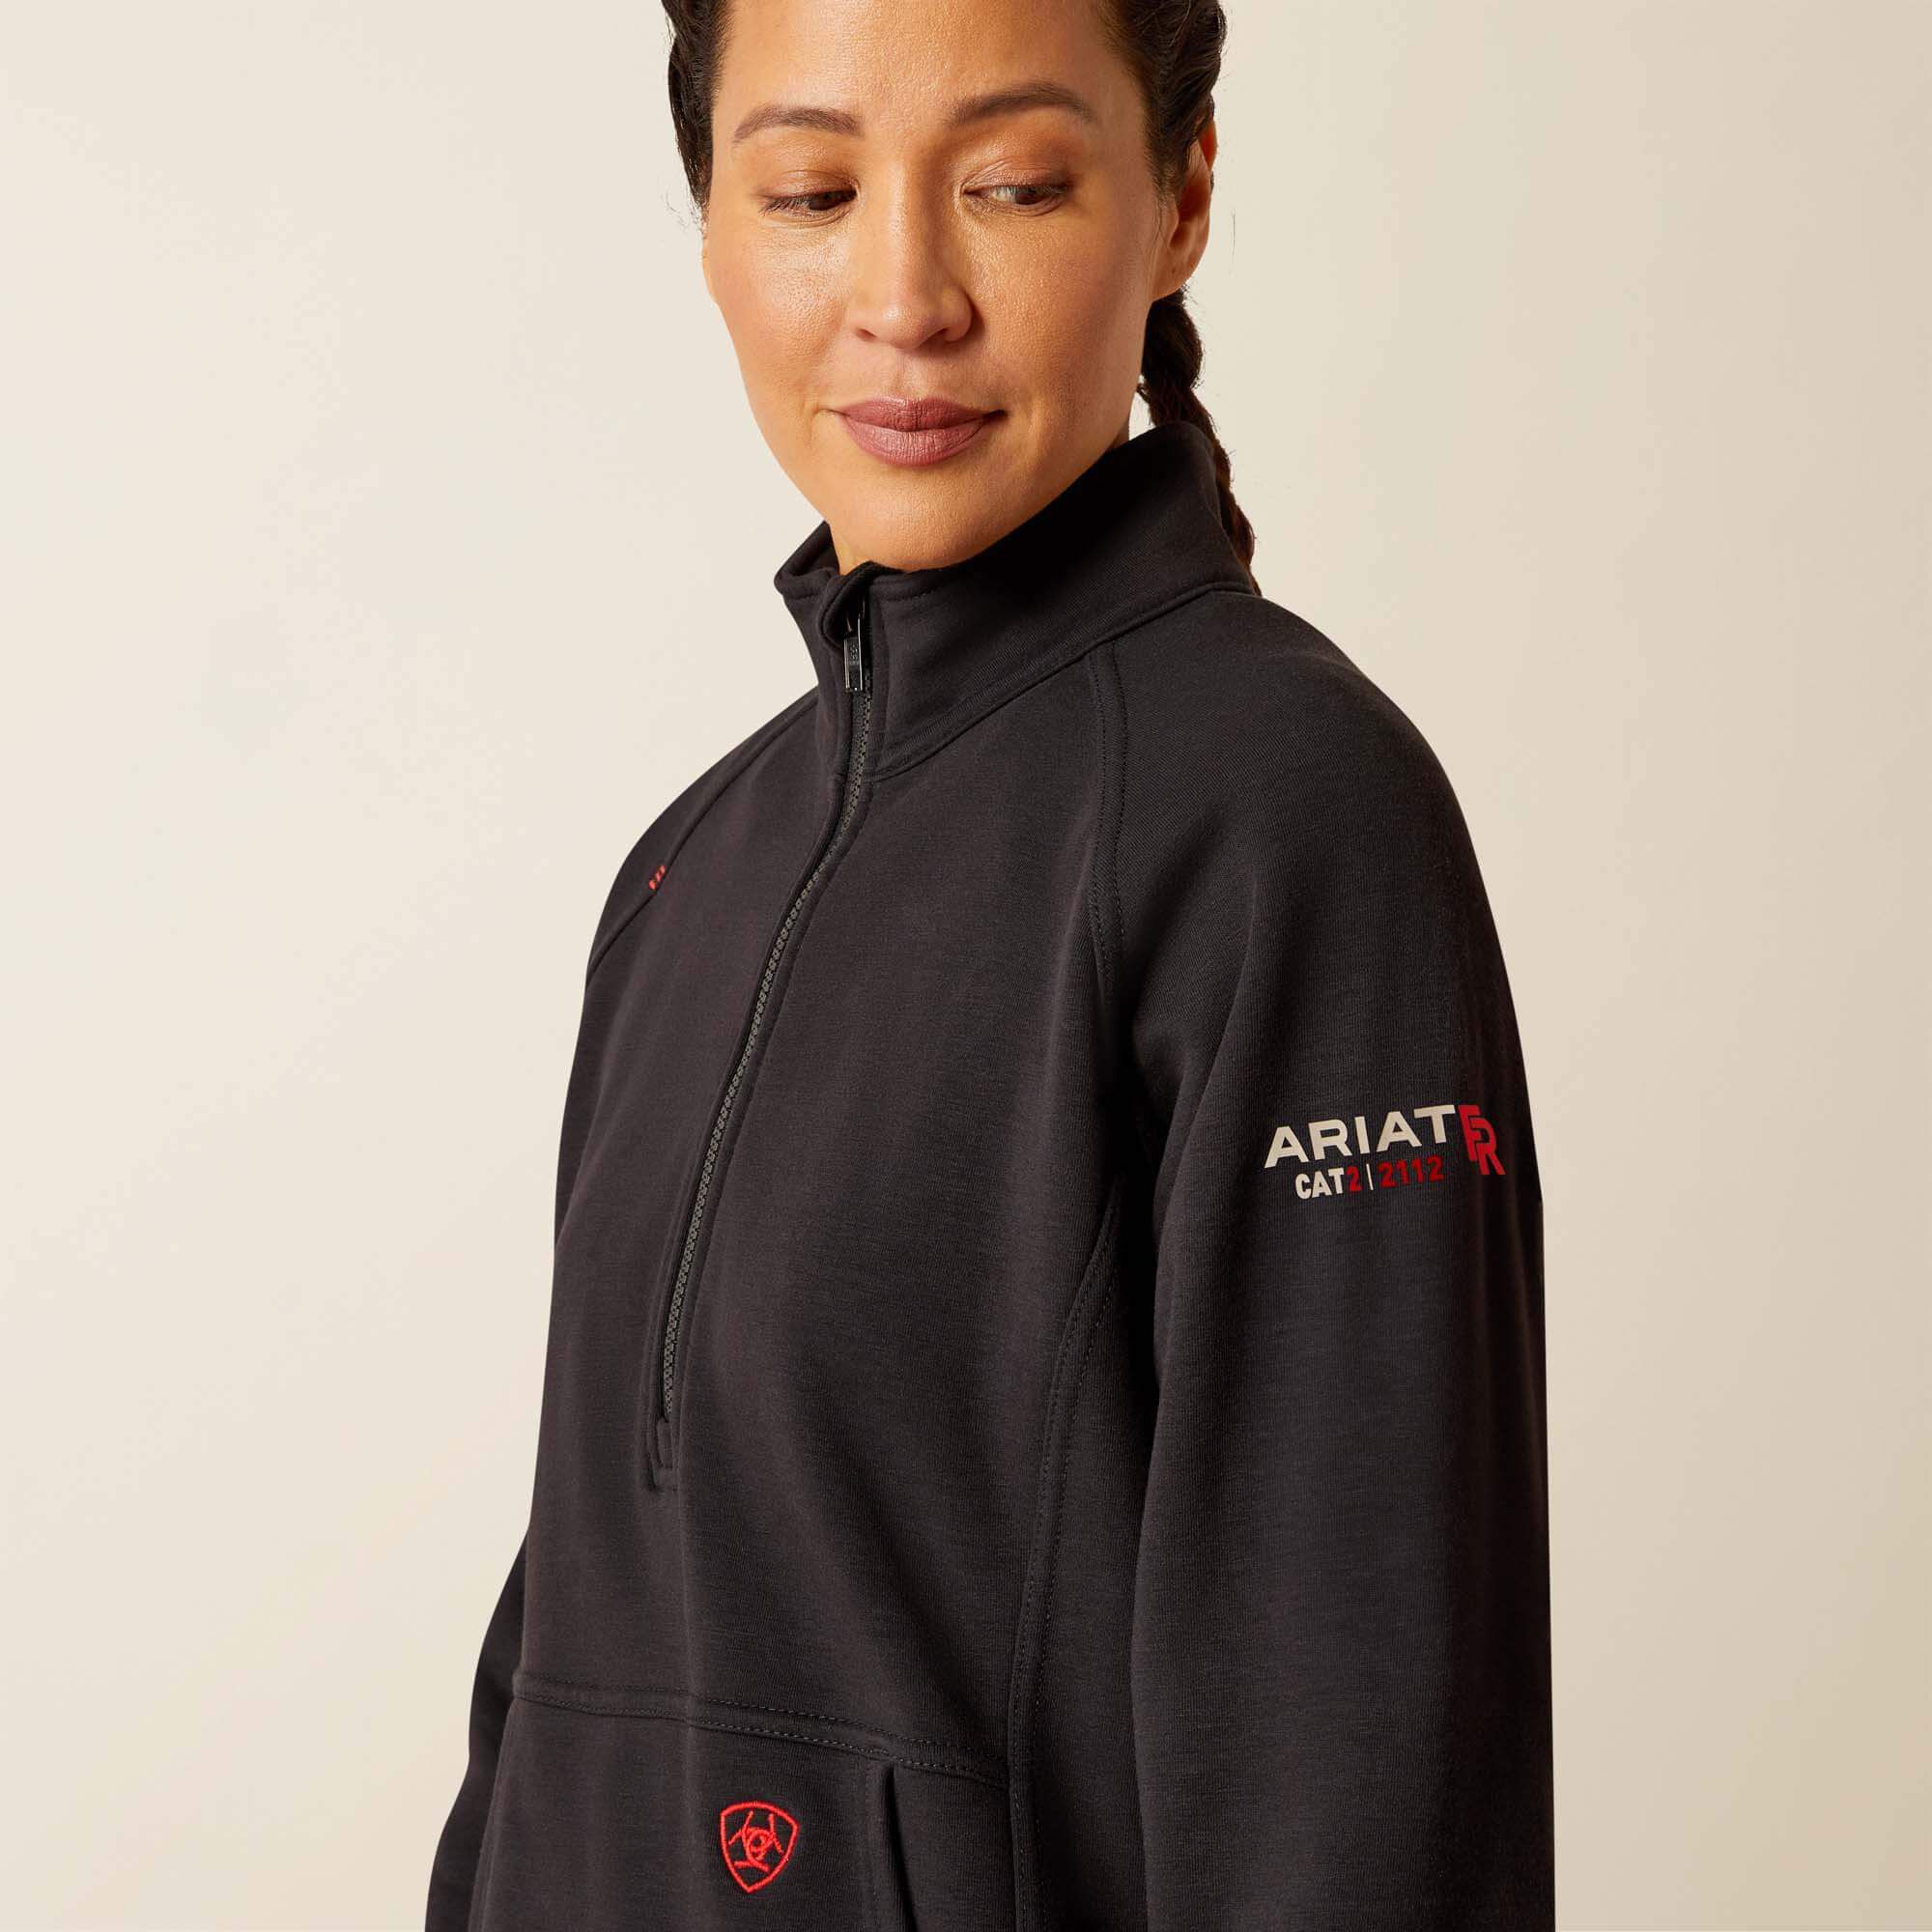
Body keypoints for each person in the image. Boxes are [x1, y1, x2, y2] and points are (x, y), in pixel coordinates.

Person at [426, 0, 1553, 1924]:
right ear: (710, 221)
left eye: (1015, 184)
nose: (904, 300)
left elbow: (1365, 1767)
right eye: (810, 190)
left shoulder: (1288, 817)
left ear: (1179, 199)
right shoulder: (687, 869)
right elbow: (560, 1668)